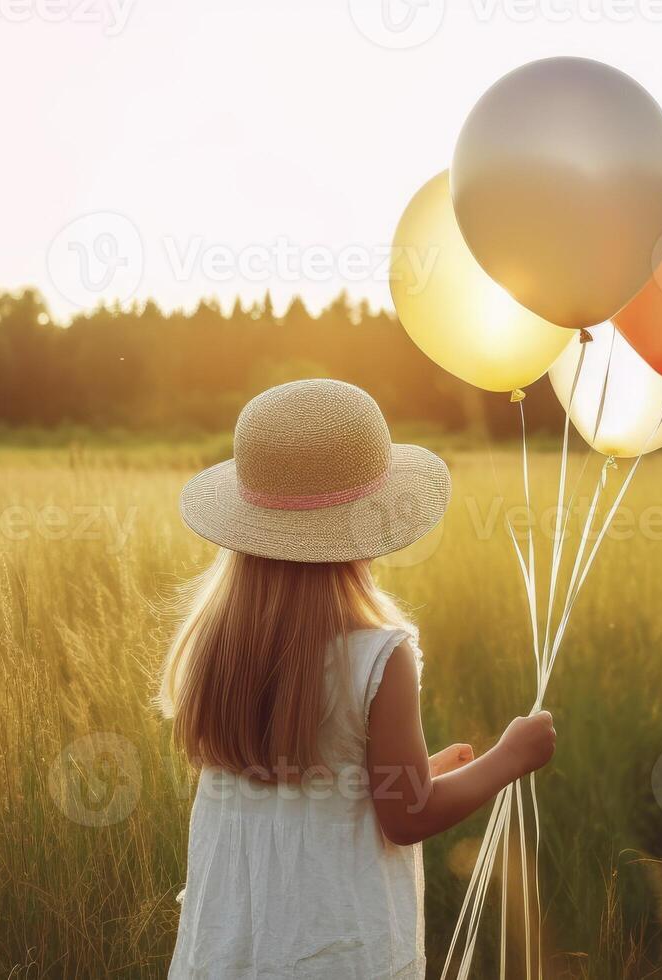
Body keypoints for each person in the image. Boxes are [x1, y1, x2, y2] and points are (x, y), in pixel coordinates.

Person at [160, 379, 557, 978]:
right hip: (332, 949)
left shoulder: (218, 641)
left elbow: (336, 784)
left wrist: (425, 774)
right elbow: (408, 817)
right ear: (368, 525)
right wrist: (508, 758)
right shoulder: (379, 655)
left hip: (232, 944)